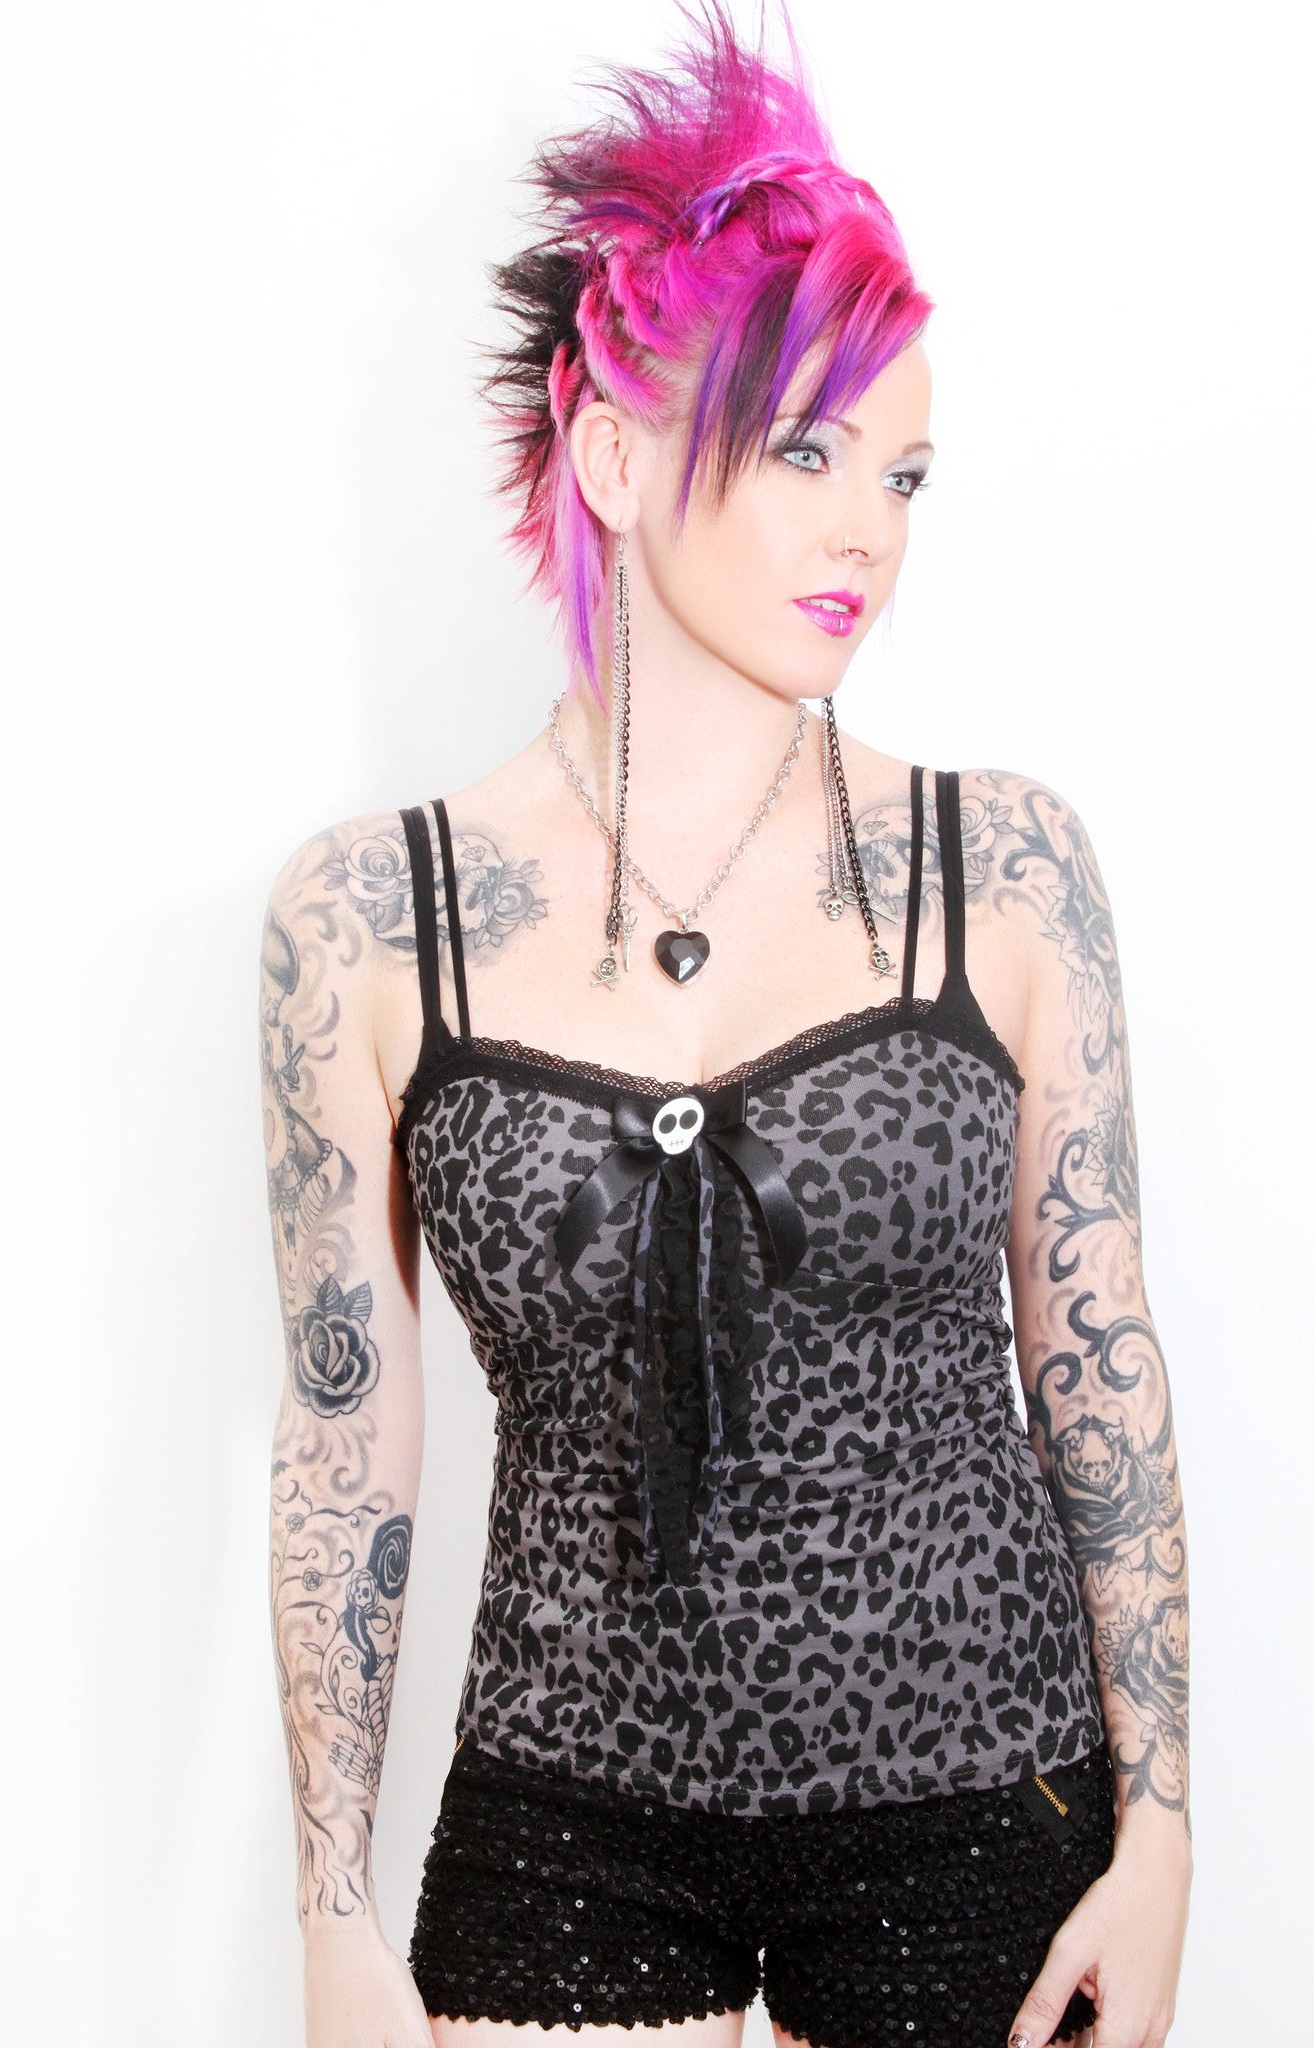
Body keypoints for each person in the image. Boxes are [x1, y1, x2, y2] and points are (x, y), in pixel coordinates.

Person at [261, 5, 1192, 2045]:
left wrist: (1163, 1836)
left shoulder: (1005, 867)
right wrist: (330, 1913)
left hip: (982, 1803)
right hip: (565, 1819)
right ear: (613, 455)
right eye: (803, 449)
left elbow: (1096, 1356)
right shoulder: (366, 921)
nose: (870, 528)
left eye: (903, 471)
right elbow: (347, 1439)